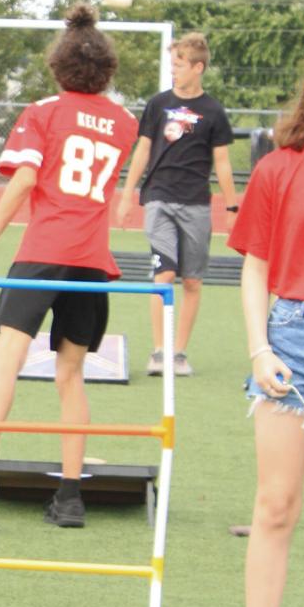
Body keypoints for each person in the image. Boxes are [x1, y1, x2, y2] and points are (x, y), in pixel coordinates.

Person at [0, 4, 138, 529]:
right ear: (107, 70)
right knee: (71, 377)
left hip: (45, 250)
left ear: (58, 65)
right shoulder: (124, 122)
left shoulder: (44, 110)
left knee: (8, 355)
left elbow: (25, 179)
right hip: (93, 261)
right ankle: (70, 497)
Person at [205, 46, 304, 607]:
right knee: (276, 503)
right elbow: (254, 265)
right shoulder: (280, 168)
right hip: (295, 338)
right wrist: (259, 346)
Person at [115, 32, 239, 378]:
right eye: (172, 65)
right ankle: (159, 350)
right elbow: (142, 149)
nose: (174, 71)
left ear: (198, 67)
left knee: (192, 282)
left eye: (179, 65)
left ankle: (179, 352)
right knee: (164, 273)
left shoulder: (214, 111)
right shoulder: (157, 104)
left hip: (196, 203)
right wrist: (127, 194)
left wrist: (232, 208)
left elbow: (223, 163)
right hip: (159, 198)